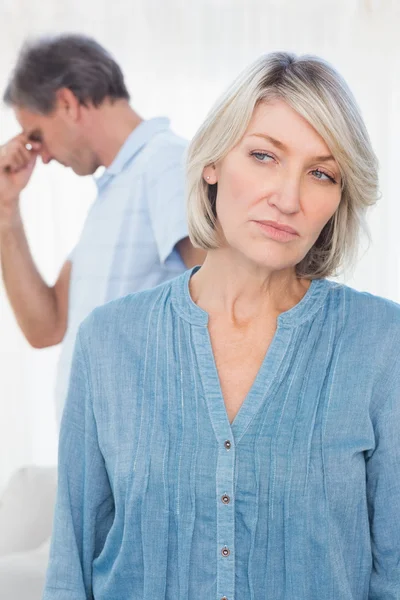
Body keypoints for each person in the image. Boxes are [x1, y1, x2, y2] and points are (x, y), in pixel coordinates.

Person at [43, 52, 400, 600]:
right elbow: (72, 571)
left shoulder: (382, 344)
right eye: (263, 156)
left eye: (320, 173)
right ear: (213, 162)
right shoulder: (109, 342)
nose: (287, 198)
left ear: (339, 198)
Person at [0, 34, 204, 422]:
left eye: (37, 136)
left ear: (67, 103)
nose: (39, 157)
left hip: (143, 450)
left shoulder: (165, 163)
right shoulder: (113, 194)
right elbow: (46, 327)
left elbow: (229, 299)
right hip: (100, 455)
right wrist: (5, 207)